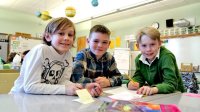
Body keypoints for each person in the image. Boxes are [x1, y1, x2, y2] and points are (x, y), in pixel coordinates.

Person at [10, 17, 102, 97]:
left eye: (70, 35)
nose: (66, 38)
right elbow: (30, 87)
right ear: (48, 36)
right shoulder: (41, 50)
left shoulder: (68, 54)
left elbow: (63, 82)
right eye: (61, 33)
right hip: (20, 98)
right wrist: (66, 90)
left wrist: (83, 87)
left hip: (43, 99)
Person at [127, 27, 185, 95]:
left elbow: (171, 84)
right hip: (156, 94)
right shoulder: (139, 59)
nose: (148, 49)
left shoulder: (166, 57)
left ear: (159, 44)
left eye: (152, 44)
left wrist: (153, 89)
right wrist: (132, 83)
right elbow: (139, 77)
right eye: (144, 45)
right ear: (138, 46)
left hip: (175, 95)